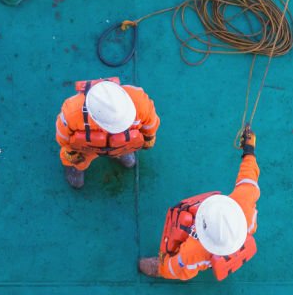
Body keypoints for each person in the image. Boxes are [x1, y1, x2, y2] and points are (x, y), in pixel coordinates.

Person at [139, 128, 259, 281]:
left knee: (179, 258)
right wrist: (249, 151)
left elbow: (177, 269)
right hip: (233, 241)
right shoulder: (245, 203)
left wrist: (165, 267)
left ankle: (159, 269)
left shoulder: (193, 251)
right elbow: (249, 177)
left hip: (204, 255)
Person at [55, 77, 160, 189]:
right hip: (87, 147)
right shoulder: (71, 112)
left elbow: (150, 123)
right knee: (78, 159)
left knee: (124, 144)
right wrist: (71, 154)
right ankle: (75, 167)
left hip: (123, 143)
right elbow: (63, 138)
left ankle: (121, 152)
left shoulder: (140, 101)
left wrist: (149, 137)